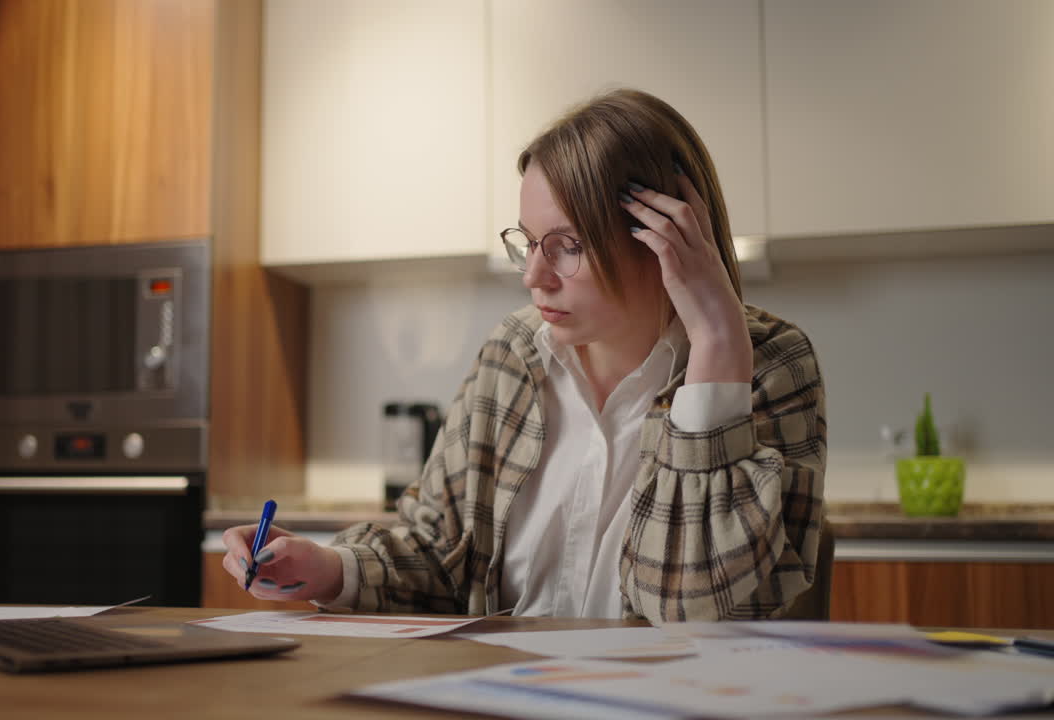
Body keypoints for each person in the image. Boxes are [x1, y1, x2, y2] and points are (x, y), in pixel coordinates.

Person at [222, 88, 826, 623]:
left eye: (567, 246)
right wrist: (329, 567)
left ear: (666, 236)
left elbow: (696, 609)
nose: (534, 276)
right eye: (529, 242)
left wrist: (717, 347)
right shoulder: (513, 353)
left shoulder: (772, 365)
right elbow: (440, 554)